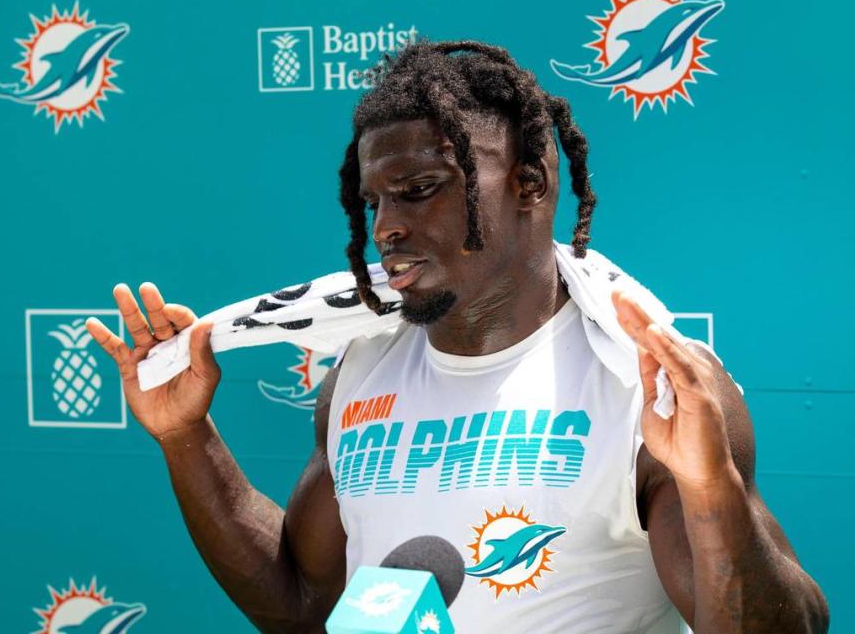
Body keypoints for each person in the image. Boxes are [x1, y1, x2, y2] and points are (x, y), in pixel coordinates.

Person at [85, 40, 828, 632]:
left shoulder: (645, 386)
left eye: (420, 191)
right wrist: (186, 437)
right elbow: (303, 606)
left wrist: (707, 487)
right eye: (374, 201)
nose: (386, 229)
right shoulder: (362, 368)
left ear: (530, 185)